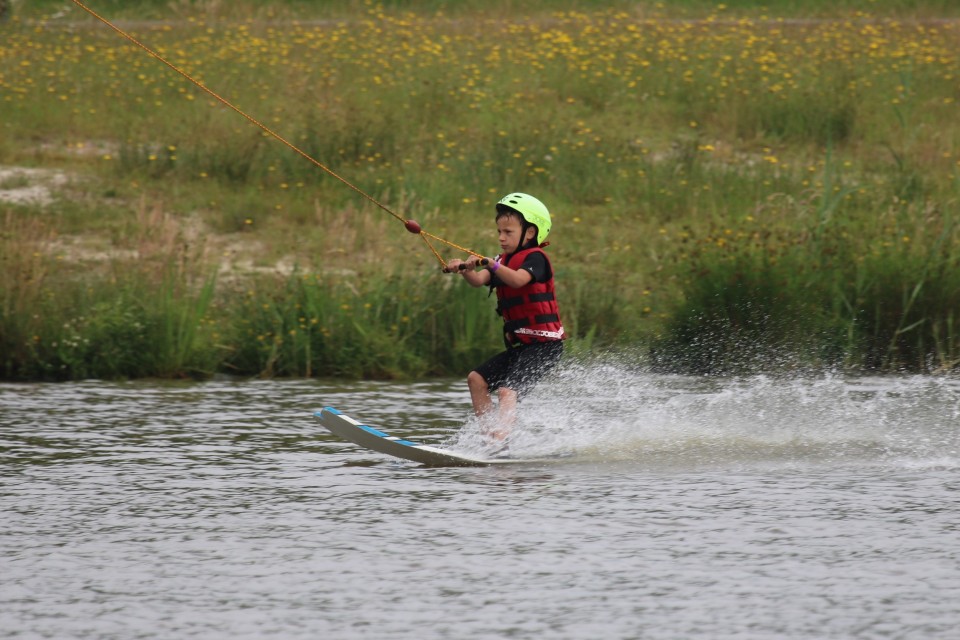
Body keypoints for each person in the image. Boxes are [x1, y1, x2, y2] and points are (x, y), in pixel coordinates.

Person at [445, 192, 565, 443]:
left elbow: (519, 280)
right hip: (523, 347)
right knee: (476, 379)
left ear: (530, 233)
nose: (501, 237)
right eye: (499, 231)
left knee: (507, 390)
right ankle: (489, 438)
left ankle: (500, 440)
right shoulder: (502, 260)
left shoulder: (536, 259)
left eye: (508, 232)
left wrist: (492, 264)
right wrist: (465, 270)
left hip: (546, 346)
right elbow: (478, 281)